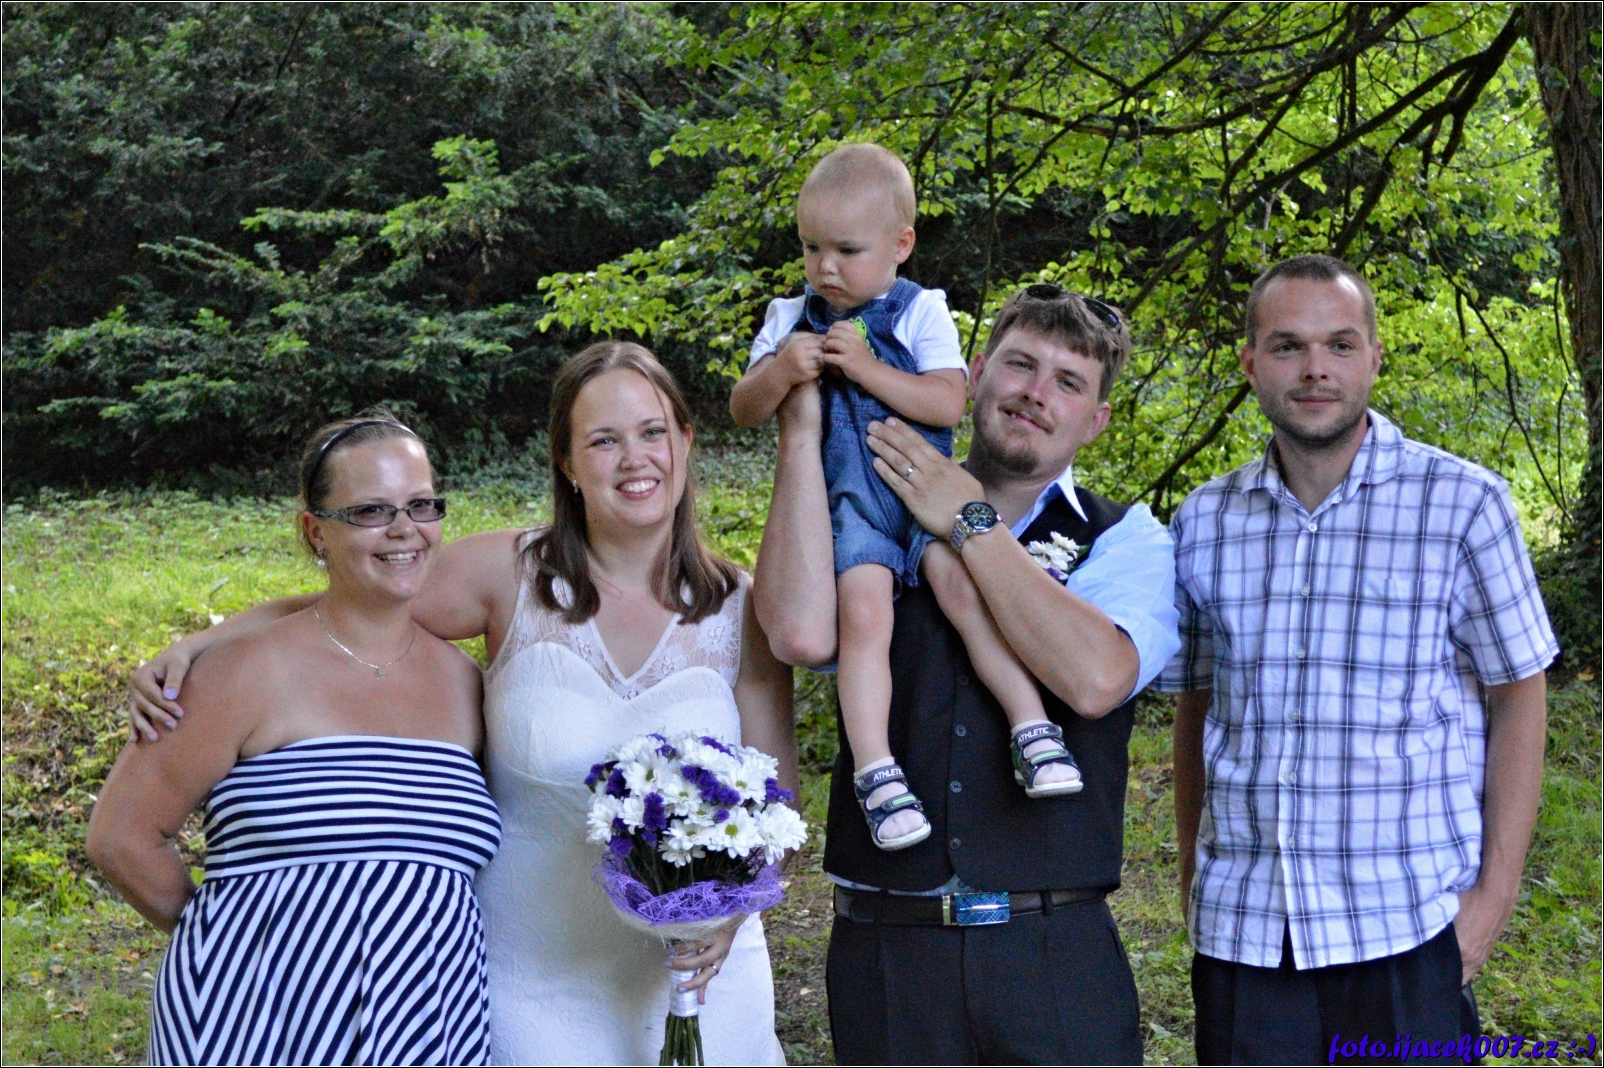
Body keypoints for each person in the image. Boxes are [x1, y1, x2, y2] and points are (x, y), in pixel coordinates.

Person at [130, 343, 800, 1066]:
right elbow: (348, 605)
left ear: (686, 441)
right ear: (568, 464)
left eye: (652, 432)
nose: (634, 459)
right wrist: (203, 644)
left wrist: (730, 915)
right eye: (603, 440)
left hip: (701, 983)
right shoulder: (506, 575)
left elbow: (778, 807)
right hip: (534, 981)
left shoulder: (741, 605)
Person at [753, 285, 1182, 1064]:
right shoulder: (873, 507)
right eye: (1020, 365)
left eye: (1067, 382)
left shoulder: (1126, 538)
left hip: (1053, 952)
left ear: (1096, 420)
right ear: (975, 374)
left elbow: (1096, 679)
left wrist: (969, 523)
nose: (1035, 393)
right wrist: (800, 434)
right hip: (887, 954)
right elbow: (793, 631)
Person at [1157, 254, 1556, 1065]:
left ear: (1375, 357)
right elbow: (1198, 706)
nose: (1316, 369)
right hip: (1248, 934)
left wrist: (1493, 895)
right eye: (1287, 346)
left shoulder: (1463, 506)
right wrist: (1195, 874)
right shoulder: (1204, 521)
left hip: (1406, 927)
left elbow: (1520, 692)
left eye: (1339, 345)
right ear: (1250, 363)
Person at [89, 412, 501, 1065]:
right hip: (254, 1031)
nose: (404, 528)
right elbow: (120, 836)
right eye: (370, 510)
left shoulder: (466, 684)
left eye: (421, 505)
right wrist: (226, 942)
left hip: (424, 1029)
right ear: (315, 530)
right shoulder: (241, 671)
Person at [732, 144, 1080, 857]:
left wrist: (863, 367)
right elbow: (742, 409)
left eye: (847, 250)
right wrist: (779, 373)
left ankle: (1032, 727)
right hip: (852, 509)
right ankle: (876, 771)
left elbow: (946, 402)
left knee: (965, 590)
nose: (825, 268)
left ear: (901, 244)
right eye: (811, 248)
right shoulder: (788, 317)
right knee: (866, 615)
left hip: (925, 495)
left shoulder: (922, 310)